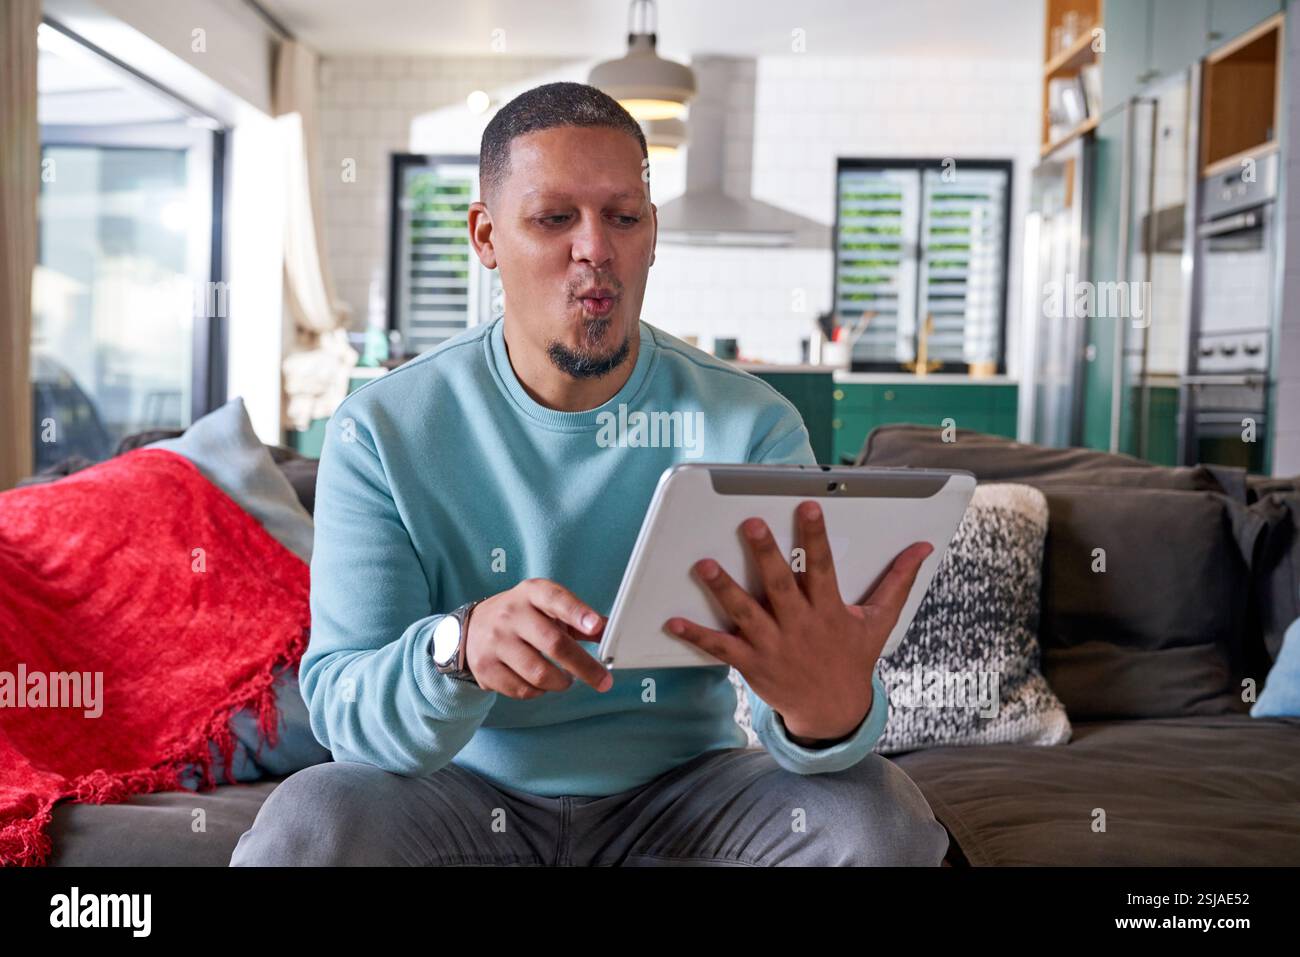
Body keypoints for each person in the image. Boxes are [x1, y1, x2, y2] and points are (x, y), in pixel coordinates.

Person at [231, 82, 949, 867]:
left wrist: (829, 710)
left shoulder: (753, 422)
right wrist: (458, 647)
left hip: (688, 798)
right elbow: (344, 709)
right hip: (460, 799)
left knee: (877, 817)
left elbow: (814, 726)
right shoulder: (381, 428)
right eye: (553, 218)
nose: (595, 249)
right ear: (486, 236)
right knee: (311, 817)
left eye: (623, 217)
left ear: (651, 236)